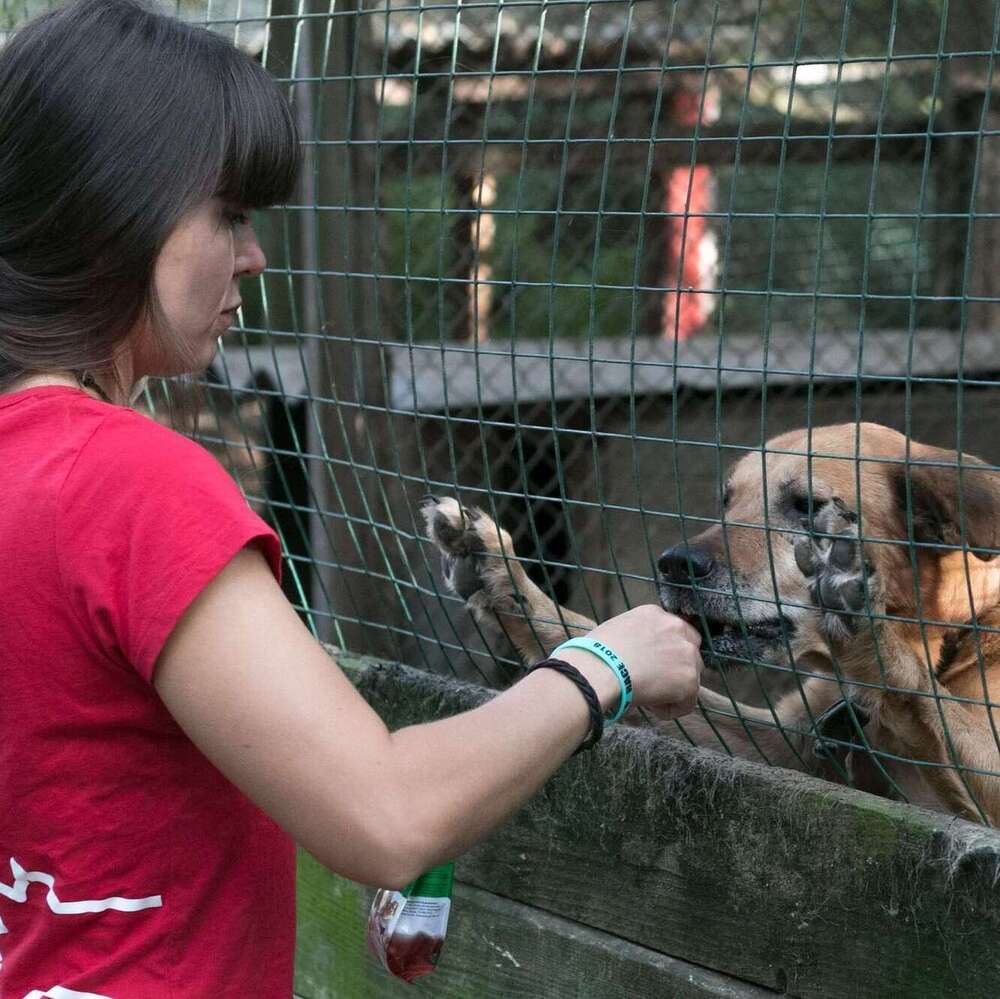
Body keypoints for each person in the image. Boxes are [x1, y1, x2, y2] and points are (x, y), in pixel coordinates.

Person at [0, 0, 704, 995]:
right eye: (228, 214)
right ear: (114, 208)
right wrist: (606, 663)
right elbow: (384, 815)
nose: (254, 256)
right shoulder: (125, 482)